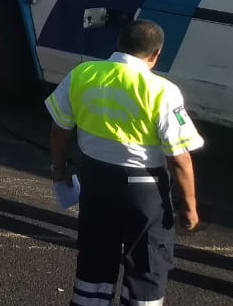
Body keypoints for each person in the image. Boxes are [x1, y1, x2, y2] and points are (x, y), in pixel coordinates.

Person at [45, 20, 202, 306]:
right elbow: (179, 157)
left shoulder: (83, 73)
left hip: (95, 179)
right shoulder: (163, 91)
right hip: (144, 188)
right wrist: (189, 206)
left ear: (118, 44)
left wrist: (58, 170)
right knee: (147, 263)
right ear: (156, 55)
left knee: (95, 256)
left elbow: (59, 130)